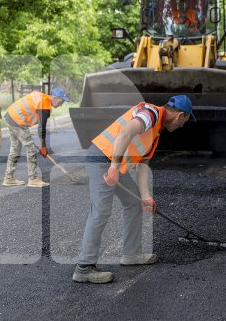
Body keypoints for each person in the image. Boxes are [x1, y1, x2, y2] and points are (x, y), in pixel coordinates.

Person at [72, 96, 195, 284]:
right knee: (101, 211)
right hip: (102, 159)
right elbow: (124, 133)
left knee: (134, 203)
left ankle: (132, 254)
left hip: (112, 161)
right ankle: (84, 268)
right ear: (180, 116)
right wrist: (113, 168)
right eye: (185, 121)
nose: (182, 126)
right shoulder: (151, 113)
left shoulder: (155, 132)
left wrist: (146, 197)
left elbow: (142, 165)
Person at [3, 88, 70, 188]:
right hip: (17, 121)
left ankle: (8, 178)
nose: (61, 104)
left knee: (15, 149)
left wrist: (43, 146)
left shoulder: (43, 99)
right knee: (31, 149)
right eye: (61, 101)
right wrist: (43, 147)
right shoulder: (44, 105)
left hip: (10, 116)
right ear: (55, 98)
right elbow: (41, 129)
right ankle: (33, 179)